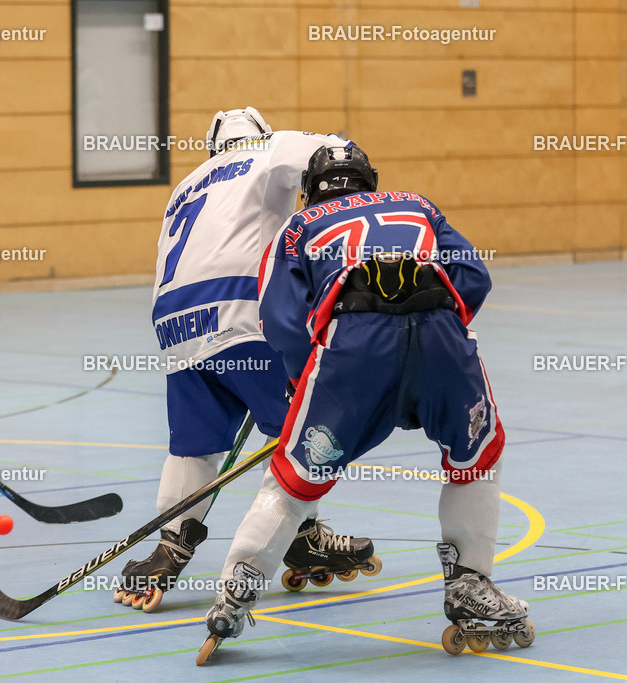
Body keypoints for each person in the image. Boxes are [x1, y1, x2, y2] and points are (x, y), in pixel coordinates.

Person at [198, 145, 533, 663]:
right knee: (477, 459)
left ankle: (237, 588)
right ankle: (471, 582)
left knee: (294, 477)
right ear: (371, 182)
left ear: (310, 189)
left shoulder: (296, 228)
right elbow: (473, 276)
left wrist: (300, 379)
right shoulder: (416, 204)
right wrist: (438, 330)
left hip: (353, 348)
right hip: (441, 332)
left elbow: (280, 319)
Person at [116, 109, 378, 613]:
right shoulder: (271, 148)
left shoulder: (185, 186)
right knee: (303, 431)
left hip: (175, 326)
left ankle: (170, 545)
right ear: (258, 136)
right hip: (245, 312)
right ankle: (299, 535)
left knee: (195, 446)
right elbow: (335, 152)